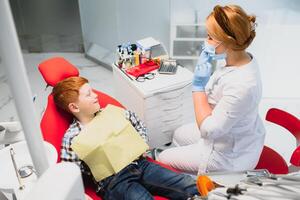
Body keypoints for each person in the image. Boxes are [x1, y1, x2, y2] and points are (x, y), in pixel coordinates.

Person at [52, 76, 200, 200]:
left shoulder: (113, 113)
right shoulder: (72, 139)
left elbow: (139, 125)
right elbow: (71, 174)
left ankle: (218, 195)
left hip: (140, 164)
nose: (96, 95)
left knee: (186, 184)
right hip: (113, 181)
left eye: (93, 91)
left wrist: (142, 142)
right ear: (75, 107)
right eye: (89, 94)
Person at [158, 5, 265, 175]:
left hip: (229, 155)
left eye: (209, 37)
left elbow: (208, 130)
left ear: (228, 42)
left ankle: (197, 181)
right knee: (178, 134)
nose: (205, 41)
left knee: (162, 158)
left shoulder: (243, 85)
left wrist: (198, 87)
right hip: (230, 130)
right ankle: (189, 159)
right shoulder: (241, 58)